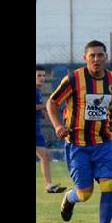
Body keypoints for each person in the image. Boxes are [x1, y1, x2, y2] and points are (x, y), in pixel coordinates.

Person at [47, 40, 112, 223]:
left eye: (100, 55)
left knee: (108, 183)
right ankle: (70, 197)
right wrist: (58, 125)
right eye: (92, 55)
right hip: (77, 144)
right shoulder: (74, 79)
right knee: (85, 193)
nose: (96, 59)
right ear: (85, 58)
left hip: (104, 142)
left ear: (106, 57)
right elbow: (52, 102)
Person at [36, 65, 66, 193]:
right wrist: (47, 105)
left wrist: (45, 114)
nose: (42, 78)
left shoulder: (38, 92)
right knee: (44, 155)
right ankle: (48, 185)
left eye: (43, 75)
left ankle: (49, 185)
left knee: (45, 155)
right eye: (39, 75)